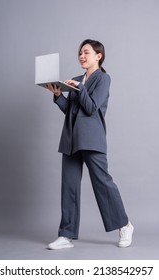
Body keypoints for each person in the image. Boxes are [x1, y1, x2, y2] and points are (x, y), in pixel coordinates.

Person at [46, 39, 134, 250]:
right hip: (71, 138)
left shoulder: (103, 79)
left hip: (92, 138)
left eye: (86, 52)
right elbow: (71, 110)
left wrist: (80, 89)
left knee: (102, 183)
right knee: (69, 186)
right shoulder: (76, 80)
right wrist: (59, 95)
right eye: (80, 53)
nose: (81, 56)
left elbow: (92, 109)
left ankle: (125, 224)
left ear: (98, 56)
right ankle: (66, 234)